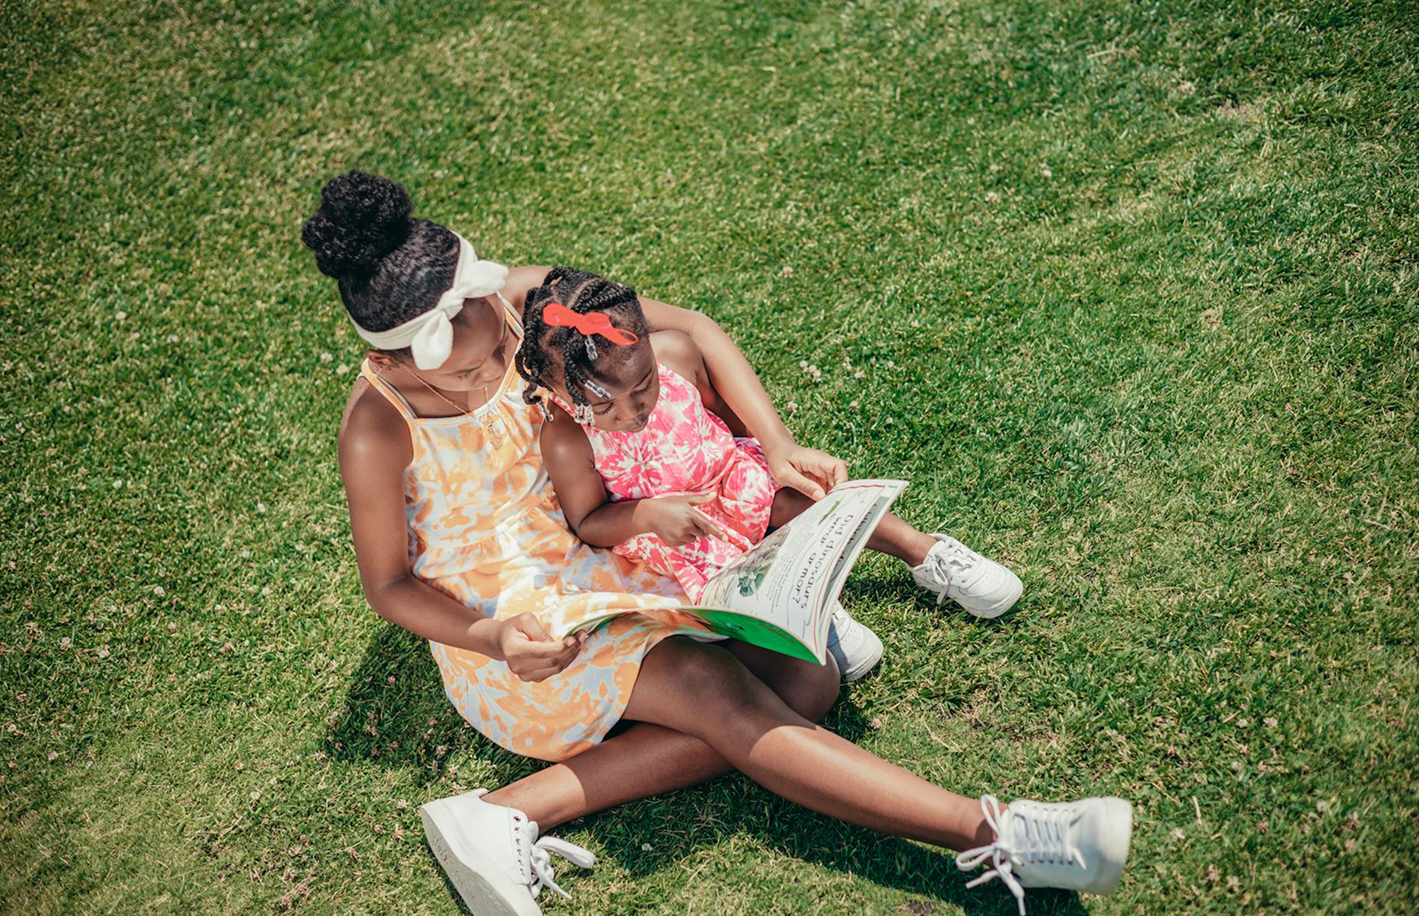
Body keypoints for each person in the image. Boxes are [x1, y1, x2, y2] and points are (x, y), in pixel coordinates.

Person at [303, 170, 1132, 917]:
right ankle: (1001, 834)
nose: (491, 368)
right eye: (461, 370)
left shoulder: (530, 303)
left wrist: (773, 446)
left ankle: (512, 808)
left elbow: (688, 330)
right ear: (395, 351)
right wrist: (493, 636)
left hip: (614, 556)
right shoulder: (377, 426)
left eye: (495, 340)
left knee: (810, 682)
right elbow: (389, 586)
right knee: (718, 695)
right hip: (513, 624)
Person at [515, 266, 1025, 638]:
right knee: (733, 580)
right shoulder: (565, 438)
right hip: (676, 533)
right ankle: (809, 611)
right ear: (558, 392)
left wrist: (774, 448)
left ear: (650, 346)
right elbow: (589, 522)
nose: (632, 412)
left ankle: (925, 551)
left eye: (643, 386)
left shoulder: (675, 355)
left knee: (797, 497)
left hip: (729, 477)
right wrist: (647, 516)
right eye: (604, 407)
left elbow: (725, 419)